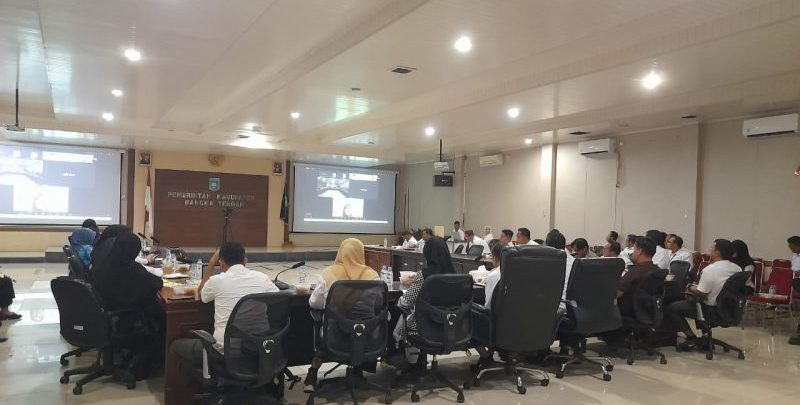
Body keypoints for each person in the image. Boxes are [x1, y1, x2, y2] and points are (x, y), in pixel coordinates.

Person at [171, 242, 280, 378]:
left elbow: (201, 296)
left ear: (221, 263)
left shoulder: (216, 281)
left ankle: (201, 385)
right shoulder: (262, 278)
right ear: (245, 261)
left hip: (226, 351)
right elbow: (279, 297)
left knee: (175, 347)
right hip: (259, 348)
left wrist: (212, 263)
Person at [305, 238, 379, 392]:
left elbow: (314, 303)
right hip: (367, 336)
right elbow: (378, 303)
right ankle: (358, 371)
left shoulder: (328, 274)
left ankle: (312, 374)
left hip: (335, 336)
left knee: (323, 326)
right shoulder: (372, 275)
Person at [90, 231, 164, 379]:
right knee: (161, 314)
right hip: (124, 316)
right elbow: (156, 283)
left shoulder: (104, 263)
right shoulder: (129, 268)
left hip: (106, 313)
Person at [666, 239, 741, 346]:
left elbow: (701, 292)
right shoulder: (737, 268)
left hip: (711, 309)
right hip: (730, 308)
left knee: (672, 308)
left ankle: (691, 337)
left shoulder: (711, 269)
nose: (710, 250)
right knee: (696, 302)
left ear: (718, 252)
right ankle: (705, 337)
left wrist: (689, 287)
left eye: (712, 248)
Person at [396, 237, 455, 370]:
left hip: (424, 327)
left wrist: (399, 300)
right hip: (449, 326)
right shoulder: (455, 275)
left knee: (398, 313)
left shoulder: (424, 275)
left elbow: (406, 302)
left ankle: (406, 363)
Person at [600, 237, 660, 348]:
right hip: (647, 309)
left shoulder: (634, 271)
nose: (632, 252)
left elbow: (617, 293)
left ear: (639, 251)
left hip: (629, 309)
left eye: (634, 249)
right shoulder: (656, 270)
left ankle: (613, 340)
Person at [473, 242, 504, 369]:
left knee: (471, 315)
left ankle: (485, 356)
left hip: (496, 323)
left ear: (494, 258)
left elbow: (488, 306)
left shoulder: (494, 275)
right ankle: (491, 353)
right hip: (517, 323)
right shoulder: (521, 273)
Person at [545, 230, 573, 314]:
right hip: (573, 310)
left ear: (547, 247)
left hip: (556, 310)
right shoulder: (575, 262)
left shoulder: (546, 264)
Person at [787, 236, 800, 345]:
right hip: (796, 282)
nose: (790, 248)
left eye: (791, 246)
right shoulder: (794, 257)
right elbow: (793, 269)